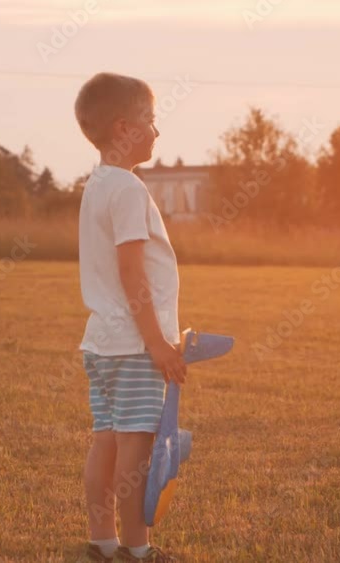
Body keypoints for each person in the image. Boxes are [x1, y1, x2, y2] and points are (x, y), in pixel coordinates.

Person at [73, 72, 187, 563]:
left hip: (102, 343)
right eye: (150, 120)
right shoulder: (129, 189)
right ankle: (137, 550)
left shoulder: (98, 184)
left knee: (106, 444)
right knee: (137, 452)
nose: (156, 131)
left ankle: (102, 542)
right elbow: (131, 271)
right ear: (124, 128)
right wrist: (157, 342)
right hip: (134, 347)